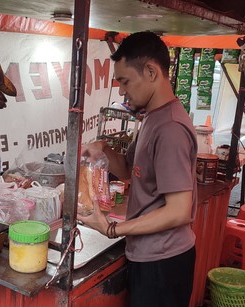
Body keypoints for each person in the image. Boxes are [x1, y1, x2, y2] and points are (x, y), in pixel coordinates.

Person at [77, 31, 198, 307]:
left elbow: (179, 210)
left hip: (164, 262)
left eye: (125, 80)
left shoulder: (170, 129)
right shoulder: (152, 118)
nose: (121, 90)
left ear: (152, 72)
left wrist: (112, 229)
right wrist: (104, 148)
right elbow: (131, 170)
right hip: (149, 255)